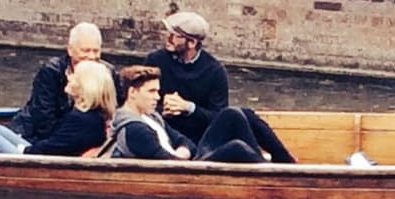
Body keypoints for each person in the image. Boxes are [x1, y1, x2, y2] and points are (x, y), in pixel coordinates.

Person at [145, 11, 297, 163]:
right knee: (238, 118)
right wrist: (164, 110)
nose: (168, 38)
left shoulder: (214, 70)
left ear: (192, 43)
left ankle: (283, 162)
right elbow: (140, 102)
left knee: (240, 113)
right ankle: (275, 165)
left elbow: (217, 116)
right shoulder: (156, 61)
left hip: (205, 139)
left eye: (175, 35)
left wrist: (189, 108)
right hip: (177, 140)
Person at [0, 22, 115, 152]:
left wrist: (29, 150)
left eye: (96, 50)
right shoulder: (52, 72)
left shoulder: (105, 76)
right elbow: (43, 118)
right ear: (70, 50)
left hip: (48, 152)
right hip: (37, 136)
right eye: (86, 50)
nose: (91, 56)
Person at [105, 66, 272, 164]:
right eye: (152, 91)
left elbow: (187, 143)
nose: (158, 96)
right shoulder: (134, 128)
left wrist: (181, 152)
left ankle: (281, 165)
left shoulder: (151, 116)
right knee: (236, 147)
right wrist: (181, 154)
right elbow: (167, 163)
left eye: (158, 91)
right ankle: (269, 170)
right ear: (132, 92)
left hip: (187, 163)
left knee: (232, 114)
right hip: (185, 174)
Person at [0, 59, 116, 156]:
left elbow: (54, 148)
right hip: (42, 154)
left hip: (41, 162)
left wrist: (24, 149)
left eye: (74, 75)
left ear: (85, 85)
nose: (69, 77)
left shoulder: (82, 119)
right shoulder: (91, 115)